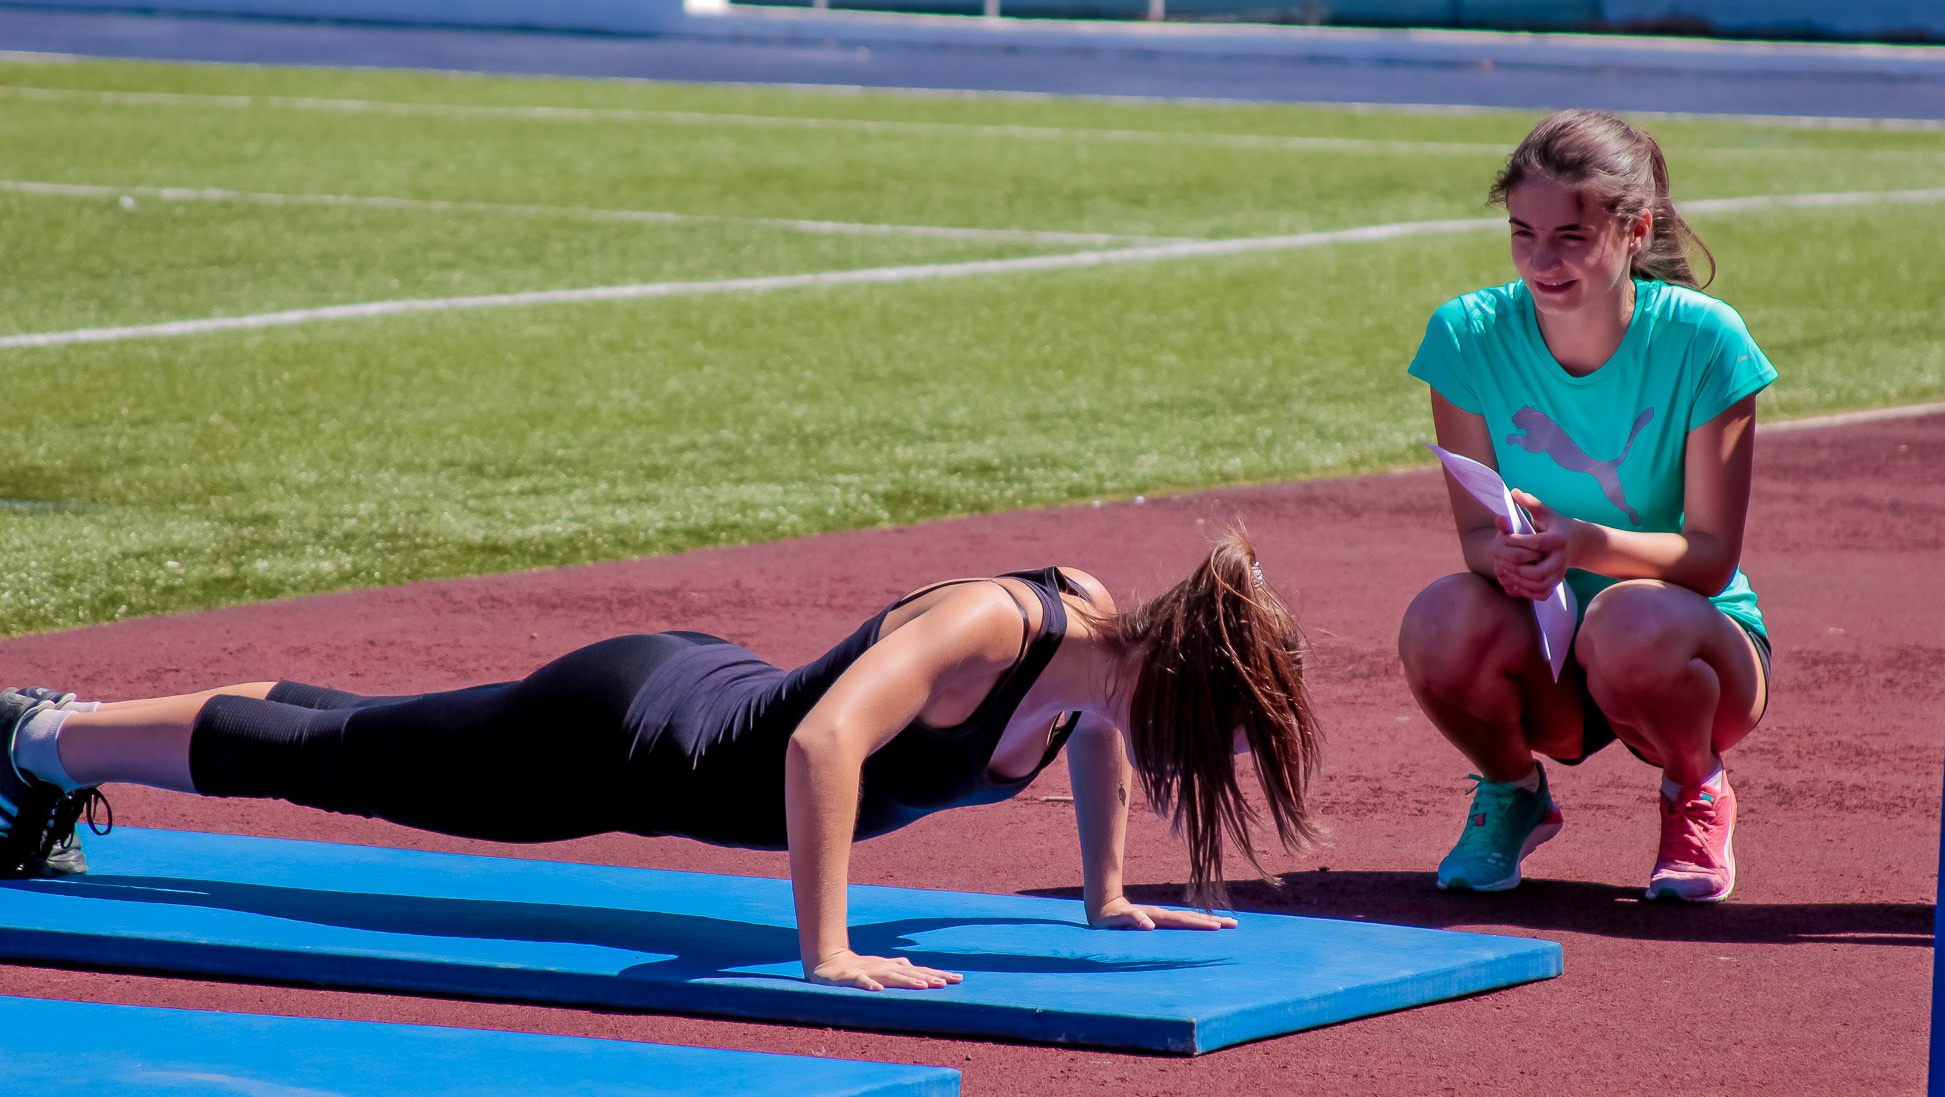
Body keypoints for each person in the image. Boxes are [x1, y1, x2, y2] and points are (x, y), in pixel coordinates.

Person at [0, 532, 1321, 989]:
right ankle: (35, 736)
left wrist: (1101, 891)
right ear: (1183, 678)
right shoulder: (998, 623)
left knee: (361, 730)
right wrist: (829, 948)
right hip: (624, 738)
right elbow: (822, 742)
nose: (1195, 760)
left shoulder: (1103, 649)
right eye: (1221, 738)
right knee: (343, 757)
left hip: (678, 696)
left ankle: (58, 735)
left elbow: (1093, 735)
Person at [1398, 108, 1776, 904]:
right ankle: (1512, 792)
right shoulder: (1465, 337)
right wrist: (1502, 556)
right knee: (1436, 621)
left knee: (1626, 621)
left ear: (1636, 231)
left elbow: (1709, 558)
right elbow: (1475, 531)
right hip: (1547, 644)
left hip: (1689, 645)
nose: (1542, 259)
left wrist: (1580, 544)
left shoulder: (1707, 342)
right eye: (1521, 232)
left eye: (1571, 236)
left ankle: (1694, 785)